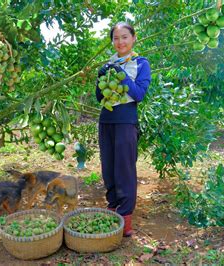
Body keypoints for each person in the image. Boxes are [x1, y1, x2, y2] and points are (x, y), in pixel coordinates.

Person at [95, 22, 151, 237]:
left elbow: (139, 94)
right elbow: (100, 97)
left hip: (126, 121)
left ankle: (125, 217)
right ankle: (112, 209)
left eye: (125, 37)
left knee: (124, 170)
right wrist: (102, 76)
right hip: (106, 121)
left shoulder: (141, 63)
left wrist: (122, 73)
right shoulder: (109, 64)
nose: (120, 42)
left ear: (133, 38)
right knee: (108, 168)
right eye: (116, 38)